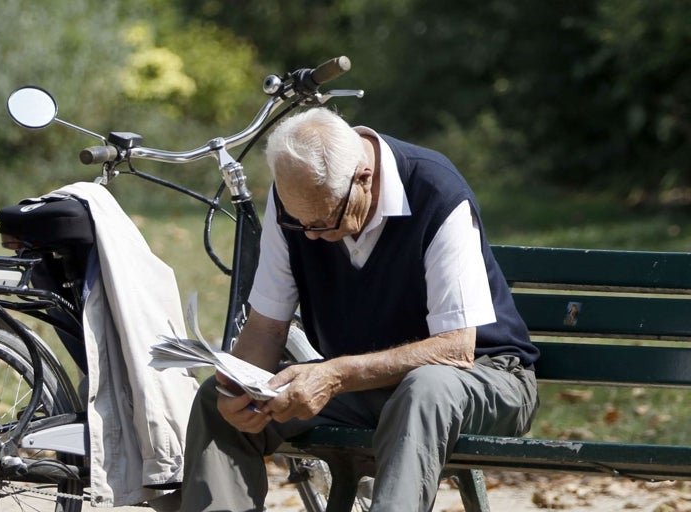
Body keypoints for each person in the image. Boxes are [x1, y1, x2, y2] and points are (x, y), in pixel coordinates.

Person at [178, 107, 540, 512]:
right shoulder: (296, 202)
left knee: (425, 388)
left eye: (323, 221)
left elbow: (455, 349)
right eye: (301, 225)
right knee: (216, 402)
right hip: (366, 388)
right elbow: (266, 328)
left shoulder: (436, 190)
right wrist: (238, 389)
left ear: (363, 178)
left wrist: (333, 375)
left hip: (484, 380)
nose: (311, 237)